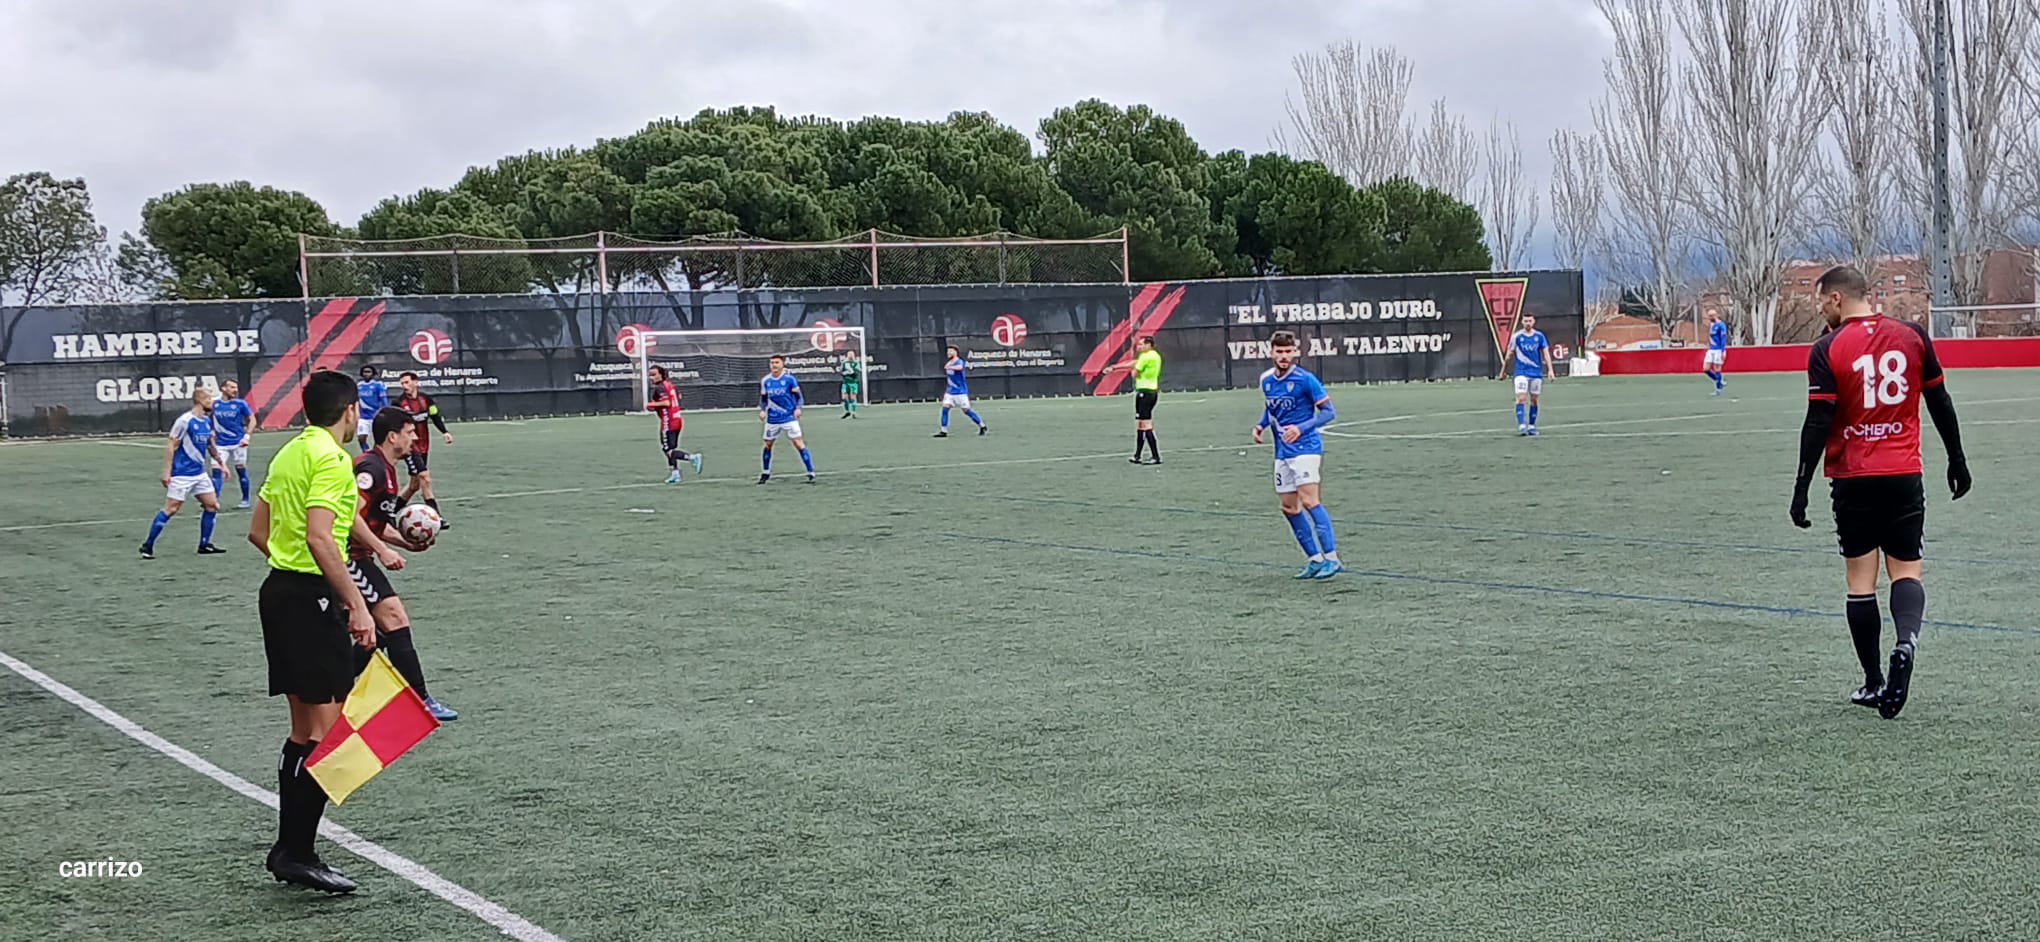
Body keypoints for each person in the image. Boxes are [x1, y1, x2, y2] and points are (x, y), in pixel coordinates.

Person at [1790, 265, 1971, 720]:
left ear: (1836, 299)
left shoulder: (1827, 348)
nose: (1820, 310)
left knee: (1860, 581)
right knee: (1907, 570)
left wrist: (1801, 485)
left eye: (1821, 301)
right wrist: (1957, 459)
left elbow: (1818, 421)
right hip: (1903, 472)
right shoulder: (1912, 337)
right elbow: (1940, 401)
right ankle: (1906, 643)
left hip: (1853, 477)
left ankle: (1873, 682)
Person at [246, 370, 378, 893]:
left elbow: (258, 531)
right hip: (310, 599)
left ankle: (292, 849)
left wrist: (293, 571)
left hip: (280, 592)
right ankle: (295, 852)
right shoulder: (332, 458)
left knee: (304, 730)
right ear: (350, 411)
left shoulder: (289, 452)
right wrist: (355, 604)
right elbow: (321, 538)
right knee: (327, 735)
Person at [353, 407, 458, 721]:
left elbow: (374, 522)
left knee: (378, 633)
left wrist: (407, 543)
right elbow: (348, 517)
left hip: (359, 555)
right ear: (392, 436)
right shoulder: (370, 467)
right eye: (410, 432)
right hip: (346, 557)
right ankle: (420, 699)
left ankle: (334, 688)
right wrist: (382, 551)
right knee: (394, 617)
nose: (415, 438)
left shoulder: (386, 469)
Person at [1253, 330, 1342, 579]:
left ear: (1295, 352)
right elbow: (1271, 408)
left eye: (1288, 351)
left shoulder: (1305, 379)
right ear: (1271, 352)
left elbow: (1328, 412)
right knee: (1289, 507)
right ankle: (1314, 560)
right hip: (1282, 452)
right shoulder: (1266, 380)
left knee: (1310, 501)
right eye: (1279, 351)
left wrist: (1300, 428)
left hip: (1306, 448)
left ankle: (1332, 558)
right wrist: (1261, 425)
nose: (1284, 356)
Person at [141, 387, 229, 559]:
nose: (211, 402)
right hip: (182, 474)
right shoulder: (184, 421)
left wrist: (221, 463)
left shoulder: (206, 421)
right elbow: (171, 445)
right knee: (171, 509)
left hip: (199, 474)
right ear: (200, 400)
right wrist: (167, 472)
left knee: (212, 505)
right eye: (209, 399)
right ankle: (148, 545)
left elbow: (210, 445)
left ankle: (204, 544)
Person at [393, 371, 456, 524]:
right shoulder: (398, 403)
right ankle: (436, 516)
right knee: (425, 478)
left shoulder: (426, 399)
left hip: (424, 445)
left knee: (414, 484)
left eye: (407, 382)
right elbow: (394, 424)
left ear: (415, 382)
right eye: (402, 383)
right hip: (409, 446)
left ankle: (391, 512)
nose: (404, 386)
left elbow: (435, 416)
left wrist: (445, 432)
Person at [758, 354, 816, 484]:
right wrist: (762, 410)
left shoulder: (789, 379)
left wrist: (798, 408)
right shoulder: (766, 381)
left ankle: (810, 472)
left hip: (789, 417)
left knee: (798, 443)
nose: (774, 365)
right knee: (768, 445)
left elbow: (799, 397)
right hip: (772, 419)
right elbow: (763, 399)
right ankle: (765, 472)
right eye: (772, 363)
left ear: (782, 364)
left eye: (776, 362)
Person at [644, 366, 702, 484]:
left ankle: (692, 457)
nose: (651, 378)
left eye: (654, 375)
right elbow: (678, 397)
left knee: (668, 450)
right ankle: (675, 474)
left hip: (668, 422)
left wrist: (651, 405)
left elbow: (666, 402)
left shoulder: (660, 388)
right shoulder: (670, 385)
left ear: (661, 375)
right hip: (677, 419)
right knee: (671, 449)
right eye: (650, 375)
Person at [1500, 314, 1553, 435]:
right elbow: (1508, 355)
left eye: (1530, 321)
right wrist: (1503, 371)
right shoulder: (1516, 337)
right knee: (1521, 398)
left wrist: (1550, 370)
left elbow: (1546, 353)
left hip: (1536, 373)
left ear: (1533, 322)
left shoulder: (1539, 336)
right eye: (1525, 321)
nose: (1528, 323)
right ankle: (1522, 425)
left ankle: (1531, 426)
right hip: (1521, 372)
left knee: (1534, 399)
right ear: (1522, 322)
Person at [1115, 336, 1163, 464]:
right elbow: (1134, 363)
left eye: (1141, 344)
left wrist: (1133, 370)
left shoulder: (1145, 357)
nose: (1138, 347)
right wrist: (1115, 367)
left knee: (1145, 426)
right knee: (1141, 426)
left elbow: (1135, 373)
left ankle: (1156, 456)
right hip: (1152, 392)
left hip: (1144, 393)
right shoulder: (1155, 355)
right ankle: (1137, 455)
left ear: (1148, 345)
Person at [210, 379, 256, 509]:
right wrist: (211, 431)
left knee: (241, 471)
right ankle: (214, 500)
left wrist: (247, 437)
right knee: (216, 471)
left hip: (238, 443)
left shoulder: (240, 404)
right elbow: (206, 417)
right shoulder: (214, 404)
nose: (235, 390)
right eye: (231, 387)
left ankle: (245, 500)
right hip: (220, 444)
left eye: (236, 387)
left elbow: (252, 420)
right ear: (223, 388)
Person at [933, 344, 987, 437]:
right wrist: (948, 366)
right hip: (950, 392)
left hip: (960, 392)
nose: (948, 353)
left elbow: (960, 367)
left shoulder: (959, 361)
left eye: (951, 351)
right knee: (945, 409)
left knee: (966, 410)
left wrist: (950, 367)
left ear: (955, 352)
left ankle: (982, 426)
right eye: (948, 351)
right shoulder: (949, 363)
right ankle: (943, 431)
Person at [355, 365, 388, 453]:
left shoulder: (378, 385)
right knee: (361, 438)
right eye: (364, 372)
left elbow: (383, 399)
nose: (366, 374)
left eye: (368, 372)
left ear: (373, 373)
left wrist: (385, 412)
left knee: (379, 438)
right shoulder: (359, 386)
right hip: (363, 417)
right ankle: (366, 453)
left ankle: (379, 453)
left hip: (375, 416)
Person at [1703, 311, 1729, 396]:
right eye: (1709, 316)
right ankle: (1719, 382)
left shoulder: (1721, 325)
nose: (1709, 318)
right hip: (1711, 350)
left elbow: (1723, 339)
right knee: (1706, 369)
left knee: (1717, 369)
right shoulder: (1711, 324)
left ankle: (1718, 390)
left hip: (1718, 350)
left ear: (1715, 315)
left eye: (1711, 316)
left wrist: (1723, 351)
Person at [838, 349, 863, 418]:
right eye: (850, 354)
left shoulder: (856, 363)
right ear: (847, 355)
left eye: (852, 354)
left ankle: (854, 412)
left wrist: (853, 372)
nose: (851, 356)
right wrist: (844, 373)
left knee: (853, 397)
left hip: (853, 383)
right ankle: (847, 411)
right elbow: (841, 371)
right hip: (845, 383)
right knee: (844, 397)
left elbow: (857, 371)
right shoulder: (844, 363)